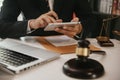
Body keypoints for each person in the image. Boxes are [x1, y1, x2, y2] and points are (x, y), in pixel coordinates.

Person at [0, 0, 92, 39]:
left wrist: (80, 28)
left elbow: (90, 19)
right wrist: (32, 24)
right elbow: (2, 27)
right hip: (32, 49)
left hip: (68, 49)